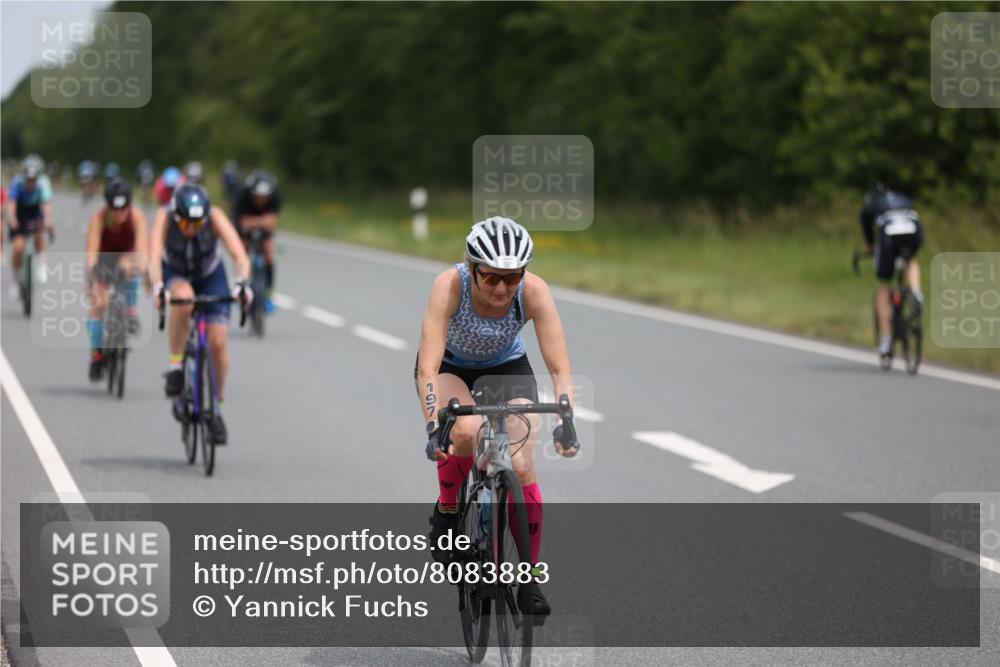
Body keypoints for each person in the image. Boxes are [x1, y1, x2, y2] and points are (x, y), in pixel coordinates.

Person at [414, 216, 577, 618]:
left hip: (507, 367)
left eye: (512, 278)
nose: (502, 289)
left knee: (521, 464)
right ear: (472, 269)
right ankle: (448, 513)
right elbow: (428, 368)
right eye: (490, 279)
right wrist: (435, 426)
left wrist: (566, 419)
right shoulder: (448, 287)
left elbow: (560, 367)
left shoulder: (534, 291)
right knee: (466, 431)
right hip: (451, 368)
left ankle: (529, 578)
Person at [148, 184, 251, 444]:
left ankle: (216, 409)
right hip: (176, 271)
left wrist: (241, 284)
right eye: (186, 224)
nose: (192, 230)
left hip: (209, 274)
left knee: (218, 343)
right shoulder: (164, 216)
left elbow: (240, 256)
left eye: (197, 224)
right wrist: (158, 287)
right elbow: (152, 258)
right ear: (176, 215)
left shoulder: (215, 216)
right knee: (184, 301)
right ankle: (175, 366)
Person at [84, 179, 149, 380]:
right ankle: (96, 355)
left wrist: (145, 272)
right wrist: (91, 279)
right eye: (114, 208)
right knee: (98, 305)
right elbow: (91, 252)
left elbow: (142, 251)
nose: (119, 213)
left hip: (127, 258)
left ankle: (130, 311)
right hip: (104, 260)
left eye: (123, 208)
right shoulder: (100, 218)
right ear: (108, 206)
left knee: (131, 266)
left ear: (129, 205)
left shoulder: (137, 218)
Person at [860, 183, 924, 362]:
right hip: (913, 230)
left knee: (883, 285)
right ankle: (916, 292)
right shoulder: (903, 198)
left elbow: (870, 240)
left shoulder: (870, 207)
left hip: (888, 234)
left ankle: (886, 342)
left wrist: (871, 248)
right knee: (910, 260)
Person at [231, 170, 281, 313]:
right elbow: (241, 223)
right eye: (258, 196)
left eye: (264, 197)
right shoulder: (242, 196)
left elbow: (272, 221)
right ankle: (240, 287)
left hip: (260, 220)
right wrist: (256, 222)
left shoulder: (276, 197)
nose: (261, 200)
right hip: (245, 215)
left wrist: (257, 222)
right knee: (242, 252)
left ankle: (269, 294)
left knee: (268, 253)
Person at [6, 158, 54, 299]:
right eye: (28, 179)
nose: (31, 182)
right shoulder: (17, 183)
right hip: (20, 212)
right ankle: (15, 281)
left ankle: (41, 263)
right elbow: (12, 203)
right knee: (18, 247)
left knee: (39, 231)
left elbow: (45, 204)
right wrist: (12, 219)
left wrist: (47, 219)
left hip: (34, 211)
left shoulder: (43, 184)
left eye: (33, 179)